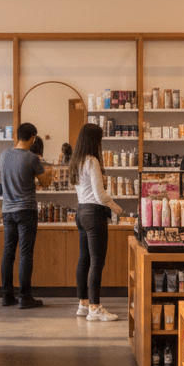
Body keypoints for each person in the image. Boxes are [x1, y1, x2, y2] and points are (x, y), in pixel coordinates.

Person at [69, 123, 123, 321]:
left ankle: (83, 303)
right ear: (94, 141)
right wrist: (117, 208)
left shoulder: (76, 161)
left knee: (84, 259)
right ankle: (95, 308)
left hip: (81, 212)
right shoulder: (92, 162)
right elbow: (100, 195)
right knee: (97, 262)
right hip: (94, 213)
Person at [0, 122, 54, 309]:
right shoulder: (31, 158)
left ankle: (6, 296)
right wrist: (50, 172)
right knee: (25, 255)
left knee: (8, 253)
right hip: (26, 211)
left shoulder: (3, 155)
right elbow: (45, 182)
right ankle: (25, 297)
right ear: (32, 138)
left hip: (7, 211)